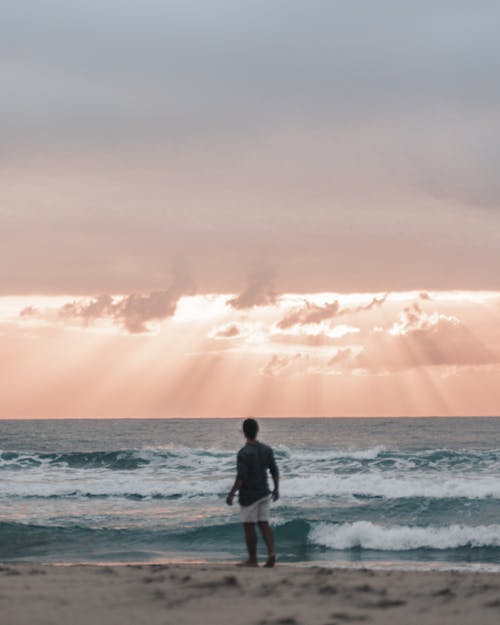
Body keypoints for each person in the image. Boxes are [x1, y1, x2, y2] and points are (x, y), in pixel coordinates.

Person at [226, 417, 279, 567]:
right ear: (257, 431)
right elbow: (274, 470)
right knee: (264, 524)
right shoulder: (266, 450)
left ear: (243, 432)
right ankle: (271, 553)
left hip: (249, 496)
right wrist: (276, 489)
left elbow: (241, 477)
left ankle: (253, 559)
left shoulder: (243, 453)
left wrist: (231, 494)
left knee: (249, 526)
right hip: (264, 493)